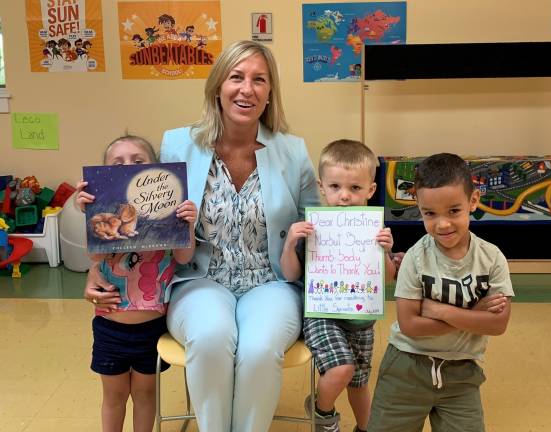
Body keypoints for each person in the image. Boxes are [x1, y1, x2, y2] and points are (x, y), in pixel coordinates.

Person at [84, 40, 321, 432]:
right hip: (197, 278)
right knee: (211, 338)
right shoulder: (178, 143)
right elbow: (140, 217)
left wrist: (362, 248)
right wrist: (97, 255)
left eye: (259, 80)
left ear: (269, 93)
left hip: (272, 282)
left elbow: (318, 221)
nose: (247, 89)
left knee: (260, 349)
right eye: (236, 77)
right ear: (217, 86)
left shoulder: (292, 151)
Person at [367, 153, 514, 432]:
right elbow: (410, 325)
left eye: (454, 211)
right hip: (405, 368)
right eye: (430, 214)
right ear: (420, 209)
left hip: (462, 374)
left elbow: (497, 324)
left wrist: (439, 310)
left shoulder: (492, 258)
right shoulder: (415, 257)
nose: (442, 224)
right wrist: (472, 315)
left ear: (473, 201)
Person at [77, 136, 198, 432]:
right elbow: (94, 254)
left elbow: (184, 257)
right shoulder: (108, 215)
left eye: (138, 161)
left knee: (145, 395)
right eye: (117, 163)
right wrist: (88, 214)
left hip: (152, 327)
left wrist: (188, 223)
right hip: (110, 324)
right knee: (114, 396)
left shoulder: (167, 213)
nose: (128, 166)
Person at [280, 139, 398, 432]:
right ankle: (323, 411)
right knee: (341, 368)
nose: (344, 196)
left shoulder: (375, 231)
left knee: (358, 383)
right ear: (322, 186)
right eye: (335, 187)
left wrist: (384, 252)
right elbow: (290, 274)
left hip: (362, 319)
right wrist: (290, 243)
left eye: (355, 188)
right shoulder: (313, 227)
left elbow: (386, 278)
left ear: (371, 190)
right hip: (322, 314)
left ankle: (365, 427)